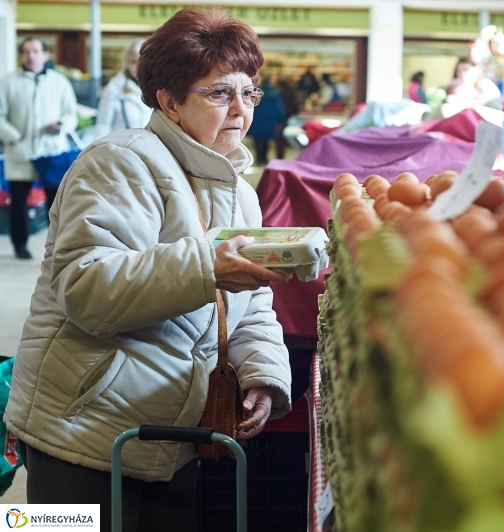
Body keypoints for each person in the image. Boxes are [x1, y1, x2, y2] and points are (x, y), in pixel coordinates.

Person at [4, 9, 292, 531]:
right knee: (48, 527)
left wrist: (263, 375)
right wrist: (208, 267)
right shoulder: (118, 161)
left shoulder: (242, 196)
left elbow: (254, 308)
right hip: (80, 437)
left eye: (248, 93)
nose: (241, 111)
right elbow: (86, 287)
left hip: (170, 442)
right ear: (169, 101)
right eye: (219, 93)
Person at [0, 37, 77, 259]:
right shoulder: (7, 82)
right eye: (25, 52)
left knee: (57, 203)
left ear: (45, 55)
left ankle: (59, 246)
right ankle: (20, 245)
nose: (30, 56)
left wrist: (61, 125)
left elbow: (71, 113)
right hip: (20, 152)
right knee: (18, 203)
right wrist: (14, 137)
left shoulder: (59, 82)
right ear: (21, 56)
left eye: (35, 51)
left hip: (51, 153)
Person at [92, 39, 151, 139]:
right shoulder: (113, 90)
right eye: (133, 62)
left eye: (142, 61)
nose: (138, 66)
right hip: (122, 150)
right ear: (126, 63)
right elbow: (103, 126)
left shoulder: (158, 88)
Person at [247, 75, 286, 165]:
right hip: (270, 120)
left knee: (258, 140)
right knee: (266, 140)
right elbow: (279, 108)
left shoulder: (257, 92)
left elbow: (251, 104)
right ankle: (264, 158)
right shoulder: (274, 92)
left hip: (257, 119)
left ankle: (259, 158)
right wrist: (281, 119)